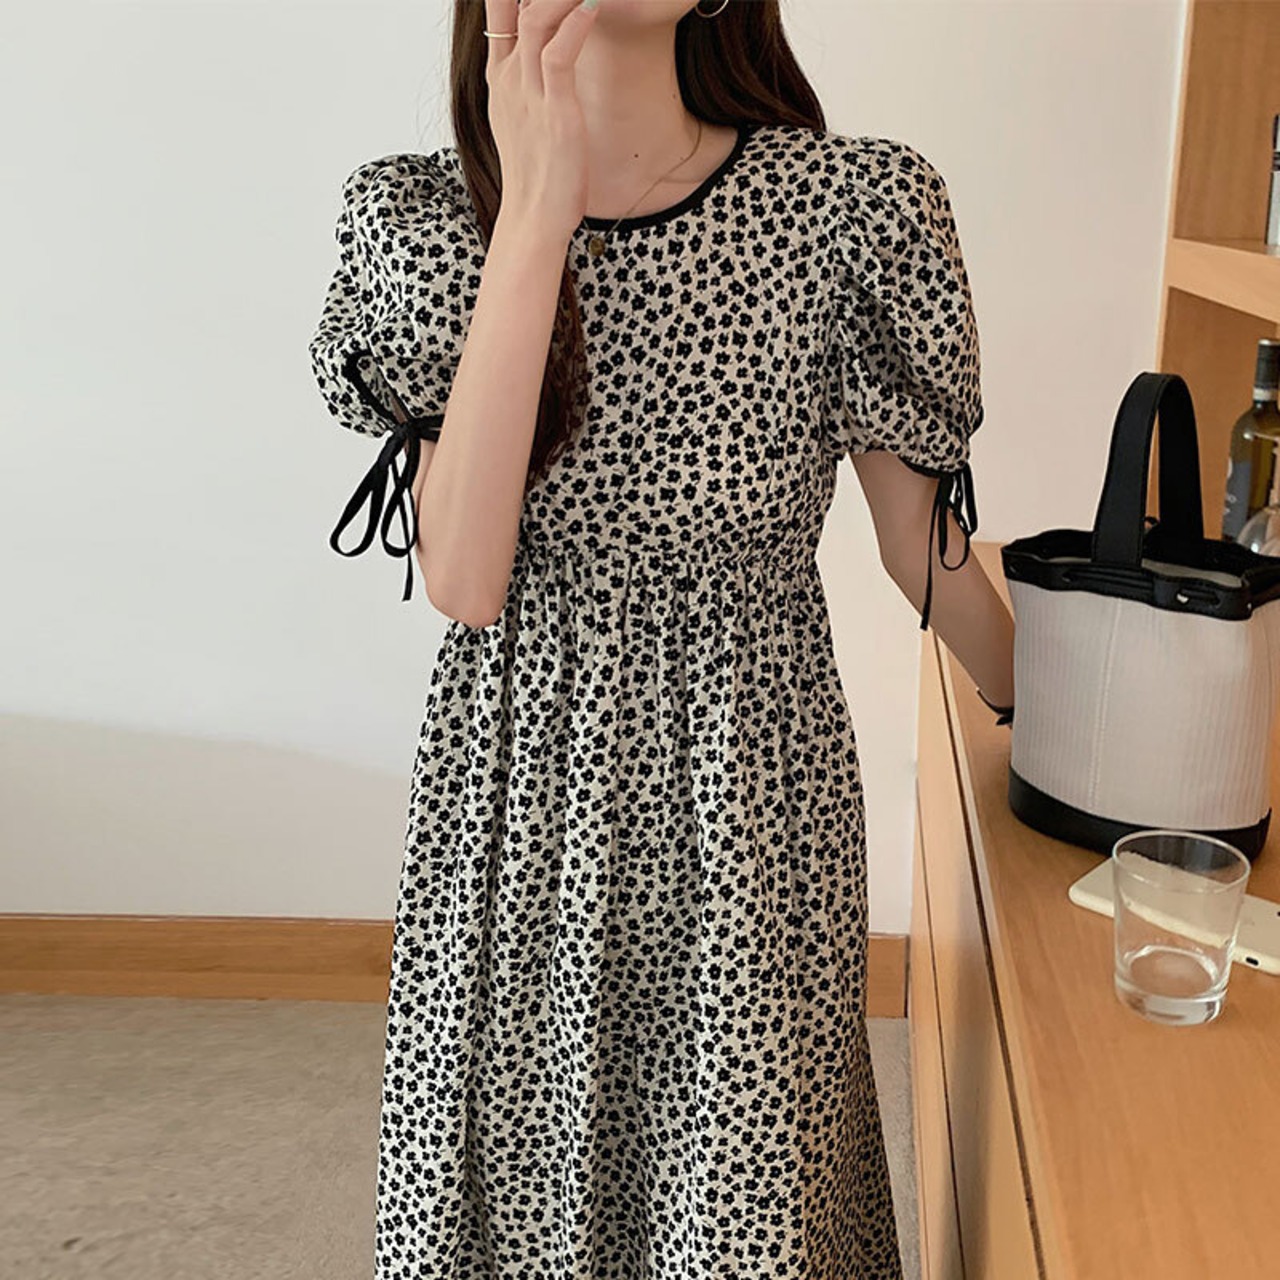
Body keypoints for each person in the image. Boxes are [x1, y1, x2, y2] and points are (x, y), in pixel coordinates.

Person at [308, 0, 1016, 1275]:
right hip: (521, 807)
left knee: (744, 1202)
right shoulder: (428, 223)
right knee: (519, 1194)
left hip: (751, 804)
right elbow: (462, 576)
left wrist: (1054, 713)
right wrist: (535, 213)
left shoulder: (847, 209)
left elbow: (917, 542)